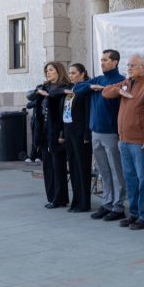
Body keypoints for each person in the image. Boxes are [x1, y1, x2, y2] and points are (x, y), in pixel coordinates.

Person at [102, 53, 144, 230]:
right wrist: (119, 90)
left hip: (140, 142)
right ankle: (134, 213)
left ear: (143, 68)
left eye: (133, 65)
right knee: (131, 179)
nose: (129, 68)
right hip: (124, 141)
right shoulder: (127, 83)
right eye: (128, 65)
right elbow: (106, 92)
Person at [73, 49, 127, 221]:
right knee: (103, 171)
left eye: (106, 60)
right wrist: (91, 86)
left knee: (116, 171)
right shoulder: (98, 79)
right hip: (95, 132)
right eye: (101, 60)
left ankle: (118, 206)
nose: (102, 63)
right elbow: (76, 87)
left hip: (111, 133)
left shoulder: (121, 81)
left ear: (115, 62)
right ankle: (107, 203)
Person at [28, 62, 70, 209]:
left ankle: (60, 198)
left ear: (59, 71)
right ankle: (51, 197)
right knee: (47, 166)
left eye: (51, 70)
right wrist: (38, 92)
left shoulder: (65, 87)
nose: (48, 72)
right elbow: (30, 97)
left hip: (56, 132)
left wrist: (62, 134)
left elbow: (65, 113)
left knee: (58, 167)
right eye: (46, 70)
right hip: (44, 132)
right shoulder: (44, 87)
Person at [54, 63, 92, 212]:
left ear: (82, 74)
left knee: (82, 168)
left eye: (74, 73)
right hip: (69, 131)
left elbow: (88, 112)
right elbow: (65, 111)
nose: (71, 76)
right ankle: (76, 201)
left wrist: (87, 134)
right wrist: (62, 134)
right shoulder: (71, 89)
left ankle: (84, 203)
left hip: (80, 133)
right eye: (70, 73)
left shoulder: (85, 89)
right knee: (74, 167)